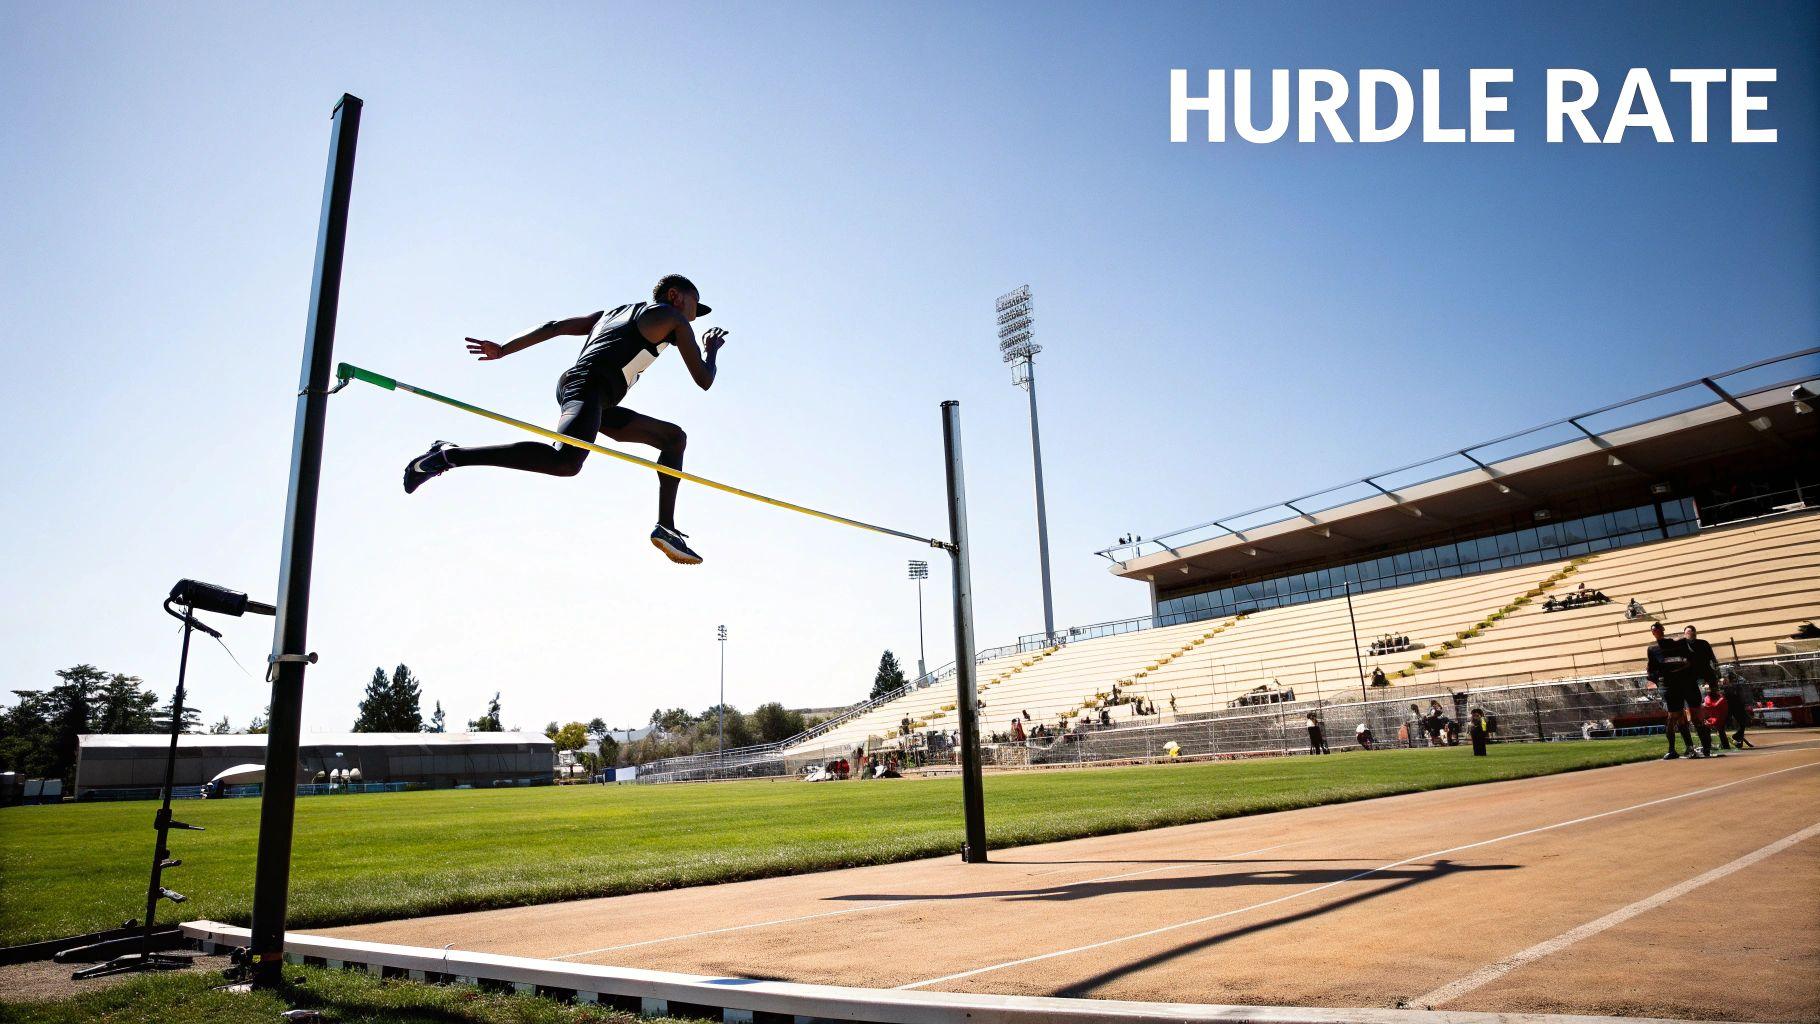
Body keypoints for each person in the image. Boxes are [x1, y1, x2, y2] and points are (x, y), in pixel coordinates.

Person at [400, 274, 729, 565]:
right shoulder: (672, 318)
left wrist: (504, 348)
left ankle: (666, 528)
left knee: (673, 438)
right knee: (566, 462)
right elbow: (704, 379)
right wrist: (711, 349)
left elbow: (555, 327)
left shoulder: (612, 314)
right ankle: (448, 456)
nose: (693, 318)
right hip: (588, 388)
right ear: (675, 296)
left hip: (592, 395)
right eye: (694, 307)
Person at [1646, 622, 1700, 759]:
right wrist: (1659, 682)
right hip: (1667, 686)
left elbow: (1688, 659)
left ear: (1662, 630)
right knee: (1673, 716)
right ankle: (1673, 749)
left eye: (1658, 629)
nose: (1656, 632)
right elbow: (1651, 670)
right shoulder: (1652, 649)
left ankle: (1688, 748)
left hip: (1680, 683)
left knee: (1681, 717)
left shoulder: (1675, 643)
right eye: (1653, 630)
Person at [1682, 625, 1721, 756]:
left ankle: (1708, 744)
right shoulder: (1682, 646)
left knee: (1704, 713)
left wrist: (1717, 675)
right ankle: (1702, 745)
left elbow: (1712, 660)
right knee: (1695, 716)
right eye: (1688, 633)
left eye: (1692, 633)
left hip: (1705, 678)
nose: (1690, 635)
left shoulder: (1703, 644)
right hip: (1691, 682)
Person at [1721, 671, 1754, 749]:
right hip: (1732, 707)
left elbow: (1742, 695)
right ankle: (1735, 739)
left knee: (1743, 723)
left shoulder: (1735, 686)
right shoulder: (1728, 687)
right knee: (1725, 725)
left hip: (1737, 706)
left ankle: (1738, 739)